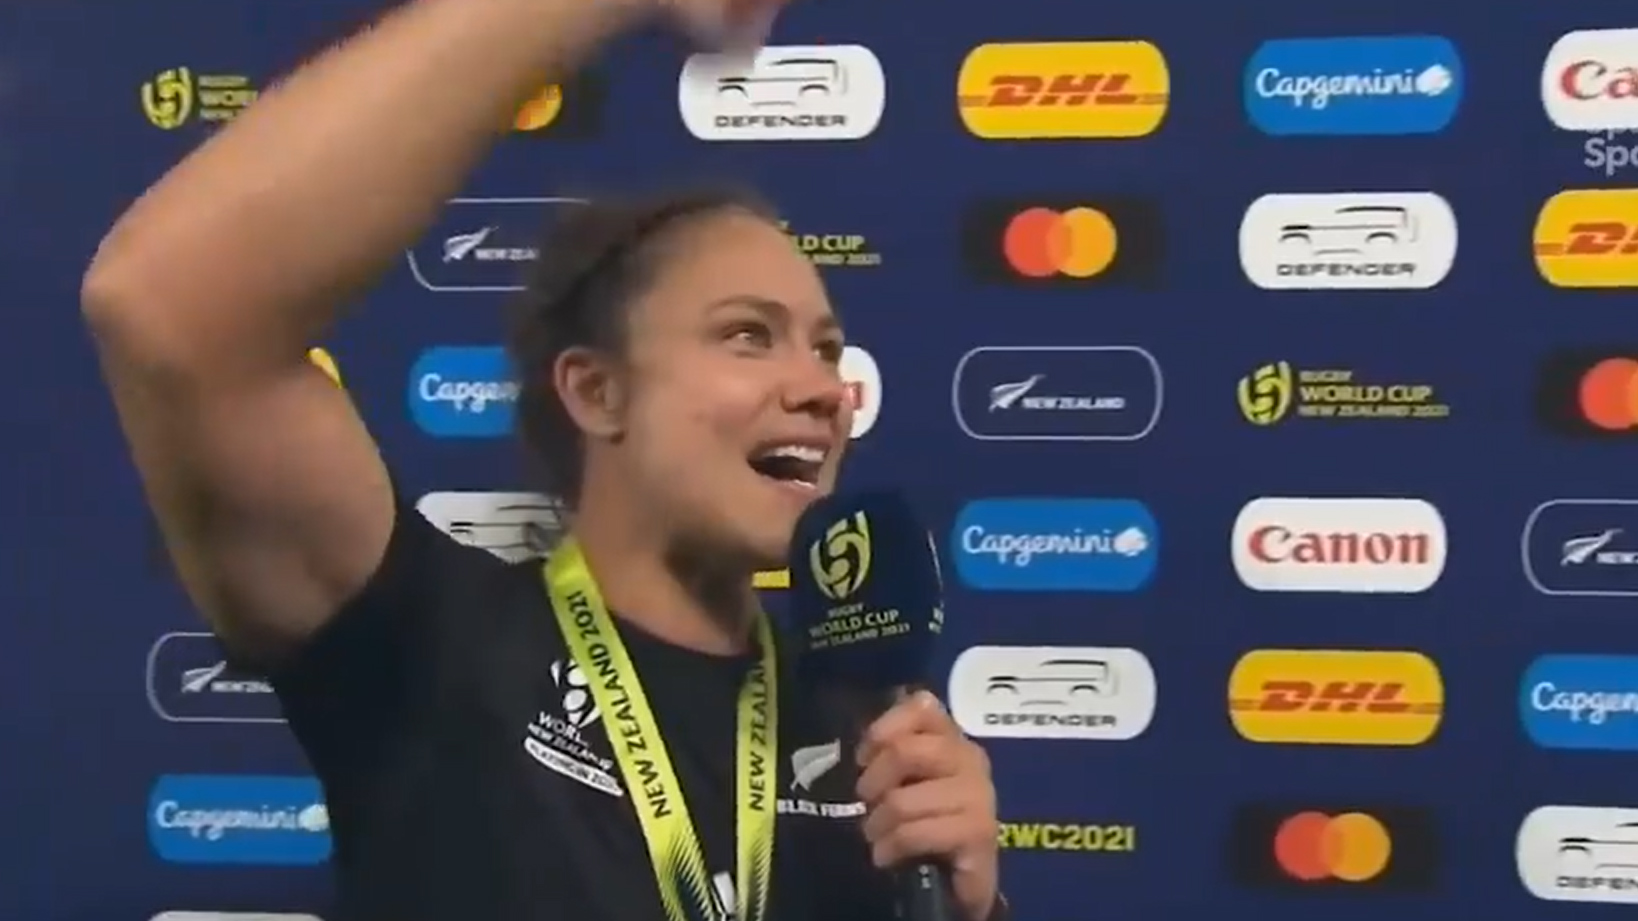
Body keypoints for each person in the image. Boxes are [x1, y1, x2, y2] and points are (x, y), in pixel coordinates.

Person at [80, 0, 1006, 919]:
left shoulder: (867, 745)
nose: (819, 387)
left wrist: (976, 909)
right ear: (597, 392)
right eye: (749, 336)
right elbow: (171, 310)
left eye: (828, 349)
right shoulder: (430, 643)